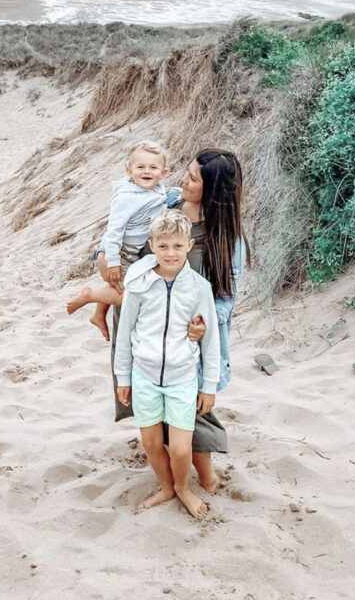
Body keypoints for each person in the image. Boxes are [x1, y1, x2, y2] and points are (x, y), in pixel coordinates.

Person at [99, 148, 248, 492]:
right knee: (150, 398)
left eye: (193, 178)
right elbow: (124, 233)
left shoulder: (225, 237)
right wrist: (101, 257)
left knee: (193, 408)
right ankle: (170, 477)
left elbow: (225, 301)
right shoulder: (164, 202)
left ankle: (205, 476)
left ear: (212, 190)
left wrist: (202, 323)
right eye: (187, 172)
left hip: (187, 335)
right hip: (145, 320)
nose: (183, 180)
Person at [114, 210, 220, 518]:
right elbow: (125, 333)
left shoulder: (200, 288)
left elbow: (210, 339)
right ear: (152, 246)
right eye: (163, 246)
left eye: (176, 246)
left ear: (189, 245)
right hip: (144, 375)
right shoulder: (139, 282)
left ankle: (184, 488)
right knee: (150, 443)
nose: (170, 253)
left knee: (180, 449)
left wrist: (209, 385)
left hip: (182, 378)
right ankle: (166, 487)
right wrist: (124, 377)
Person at [66, 140, 168, 329]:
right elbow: (114, 231)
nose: (147, 171)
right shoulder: (127, 198)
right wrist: (112, 262)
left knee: (118, 285)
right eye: (140, 167)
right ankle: (90, 295)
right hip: (124, 252)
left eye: (153, 167)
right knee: (130, 291)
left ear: (163, 174)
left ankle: (99, 314)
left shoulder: (157, 190)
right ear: (129, 171)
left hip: (137, 249)